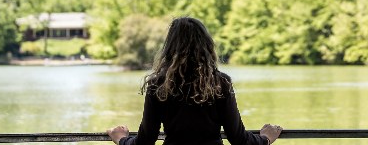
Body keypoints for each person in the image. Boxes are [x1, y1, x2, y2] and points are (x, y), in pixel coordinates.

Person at [107, 17, 283, 145]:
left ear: (169, 47)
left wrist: (122, 139)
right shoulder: (220, 83)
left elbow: (145, 142)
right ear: (206, 46)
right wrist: (265, 138)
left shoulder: (158, 85)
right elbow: (239, 139)